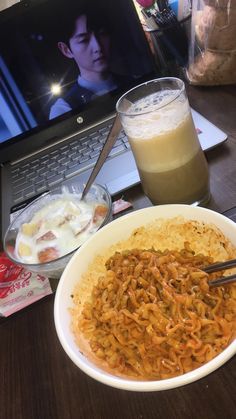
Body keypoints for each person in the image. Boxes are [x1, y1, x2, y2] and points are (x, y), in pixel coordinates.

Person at [49, 6, 120, 119]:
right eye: (84, 40)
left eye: (102, 34)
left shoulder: (133, 80)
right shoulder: (63, 109)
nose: (97, 47)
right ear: (66, 50)